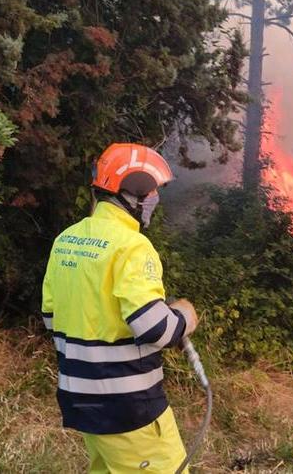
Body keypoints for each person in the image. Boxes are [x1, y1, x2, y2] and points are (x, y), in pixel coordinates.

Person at [41, 143, 199, 473]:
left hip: (79, 400)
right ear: (133, 192)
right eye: (151, 190)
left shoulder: (66, 240)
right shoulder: (132, 246)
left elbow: (51, 316)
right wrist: (185, 315)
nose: (155, 198)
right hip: (129, 409)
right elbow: (156, 328)